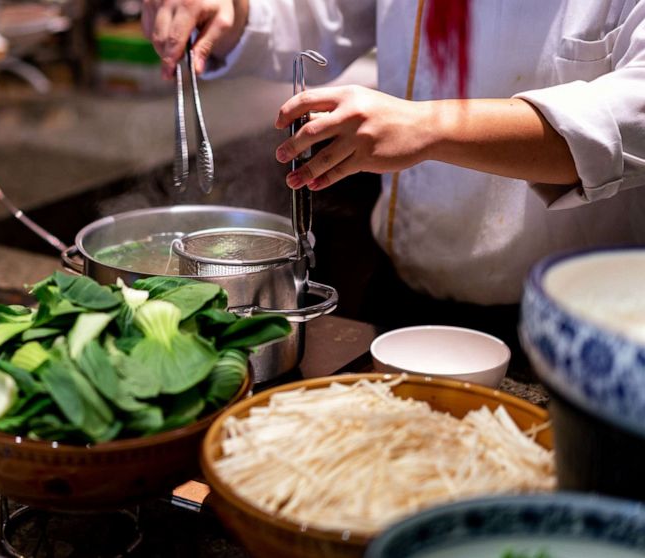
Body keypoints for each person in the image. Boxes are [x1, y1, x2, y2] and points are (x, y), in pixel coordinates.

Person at [142, 0, 645, 372]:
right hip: (400, 301)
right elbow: (326, 14)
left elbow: (631, 115)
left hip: (580, 334)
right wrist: (233, 15)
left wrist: (431, 127)